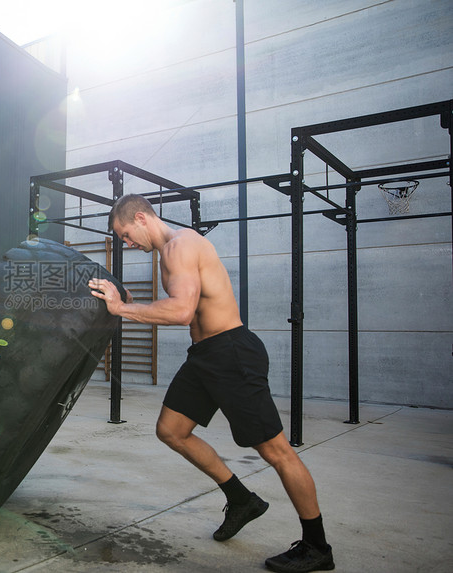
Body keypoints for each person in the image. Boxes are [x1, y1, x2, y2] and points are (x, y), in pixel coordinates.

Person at [88, 194, 334, 573]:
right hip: (206, 357)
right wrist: (135, 301)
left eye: (124, 234)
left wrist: (122, 309)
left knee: (276, 451)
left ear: (140, 218)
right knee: (171, 430)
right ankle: (241, 500)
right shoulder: (170, 250)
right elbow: (184, 303)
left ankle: (317, 547)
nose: (126, 243)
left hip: (231, 353)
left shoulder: (180, 247)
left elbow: (182, 309)